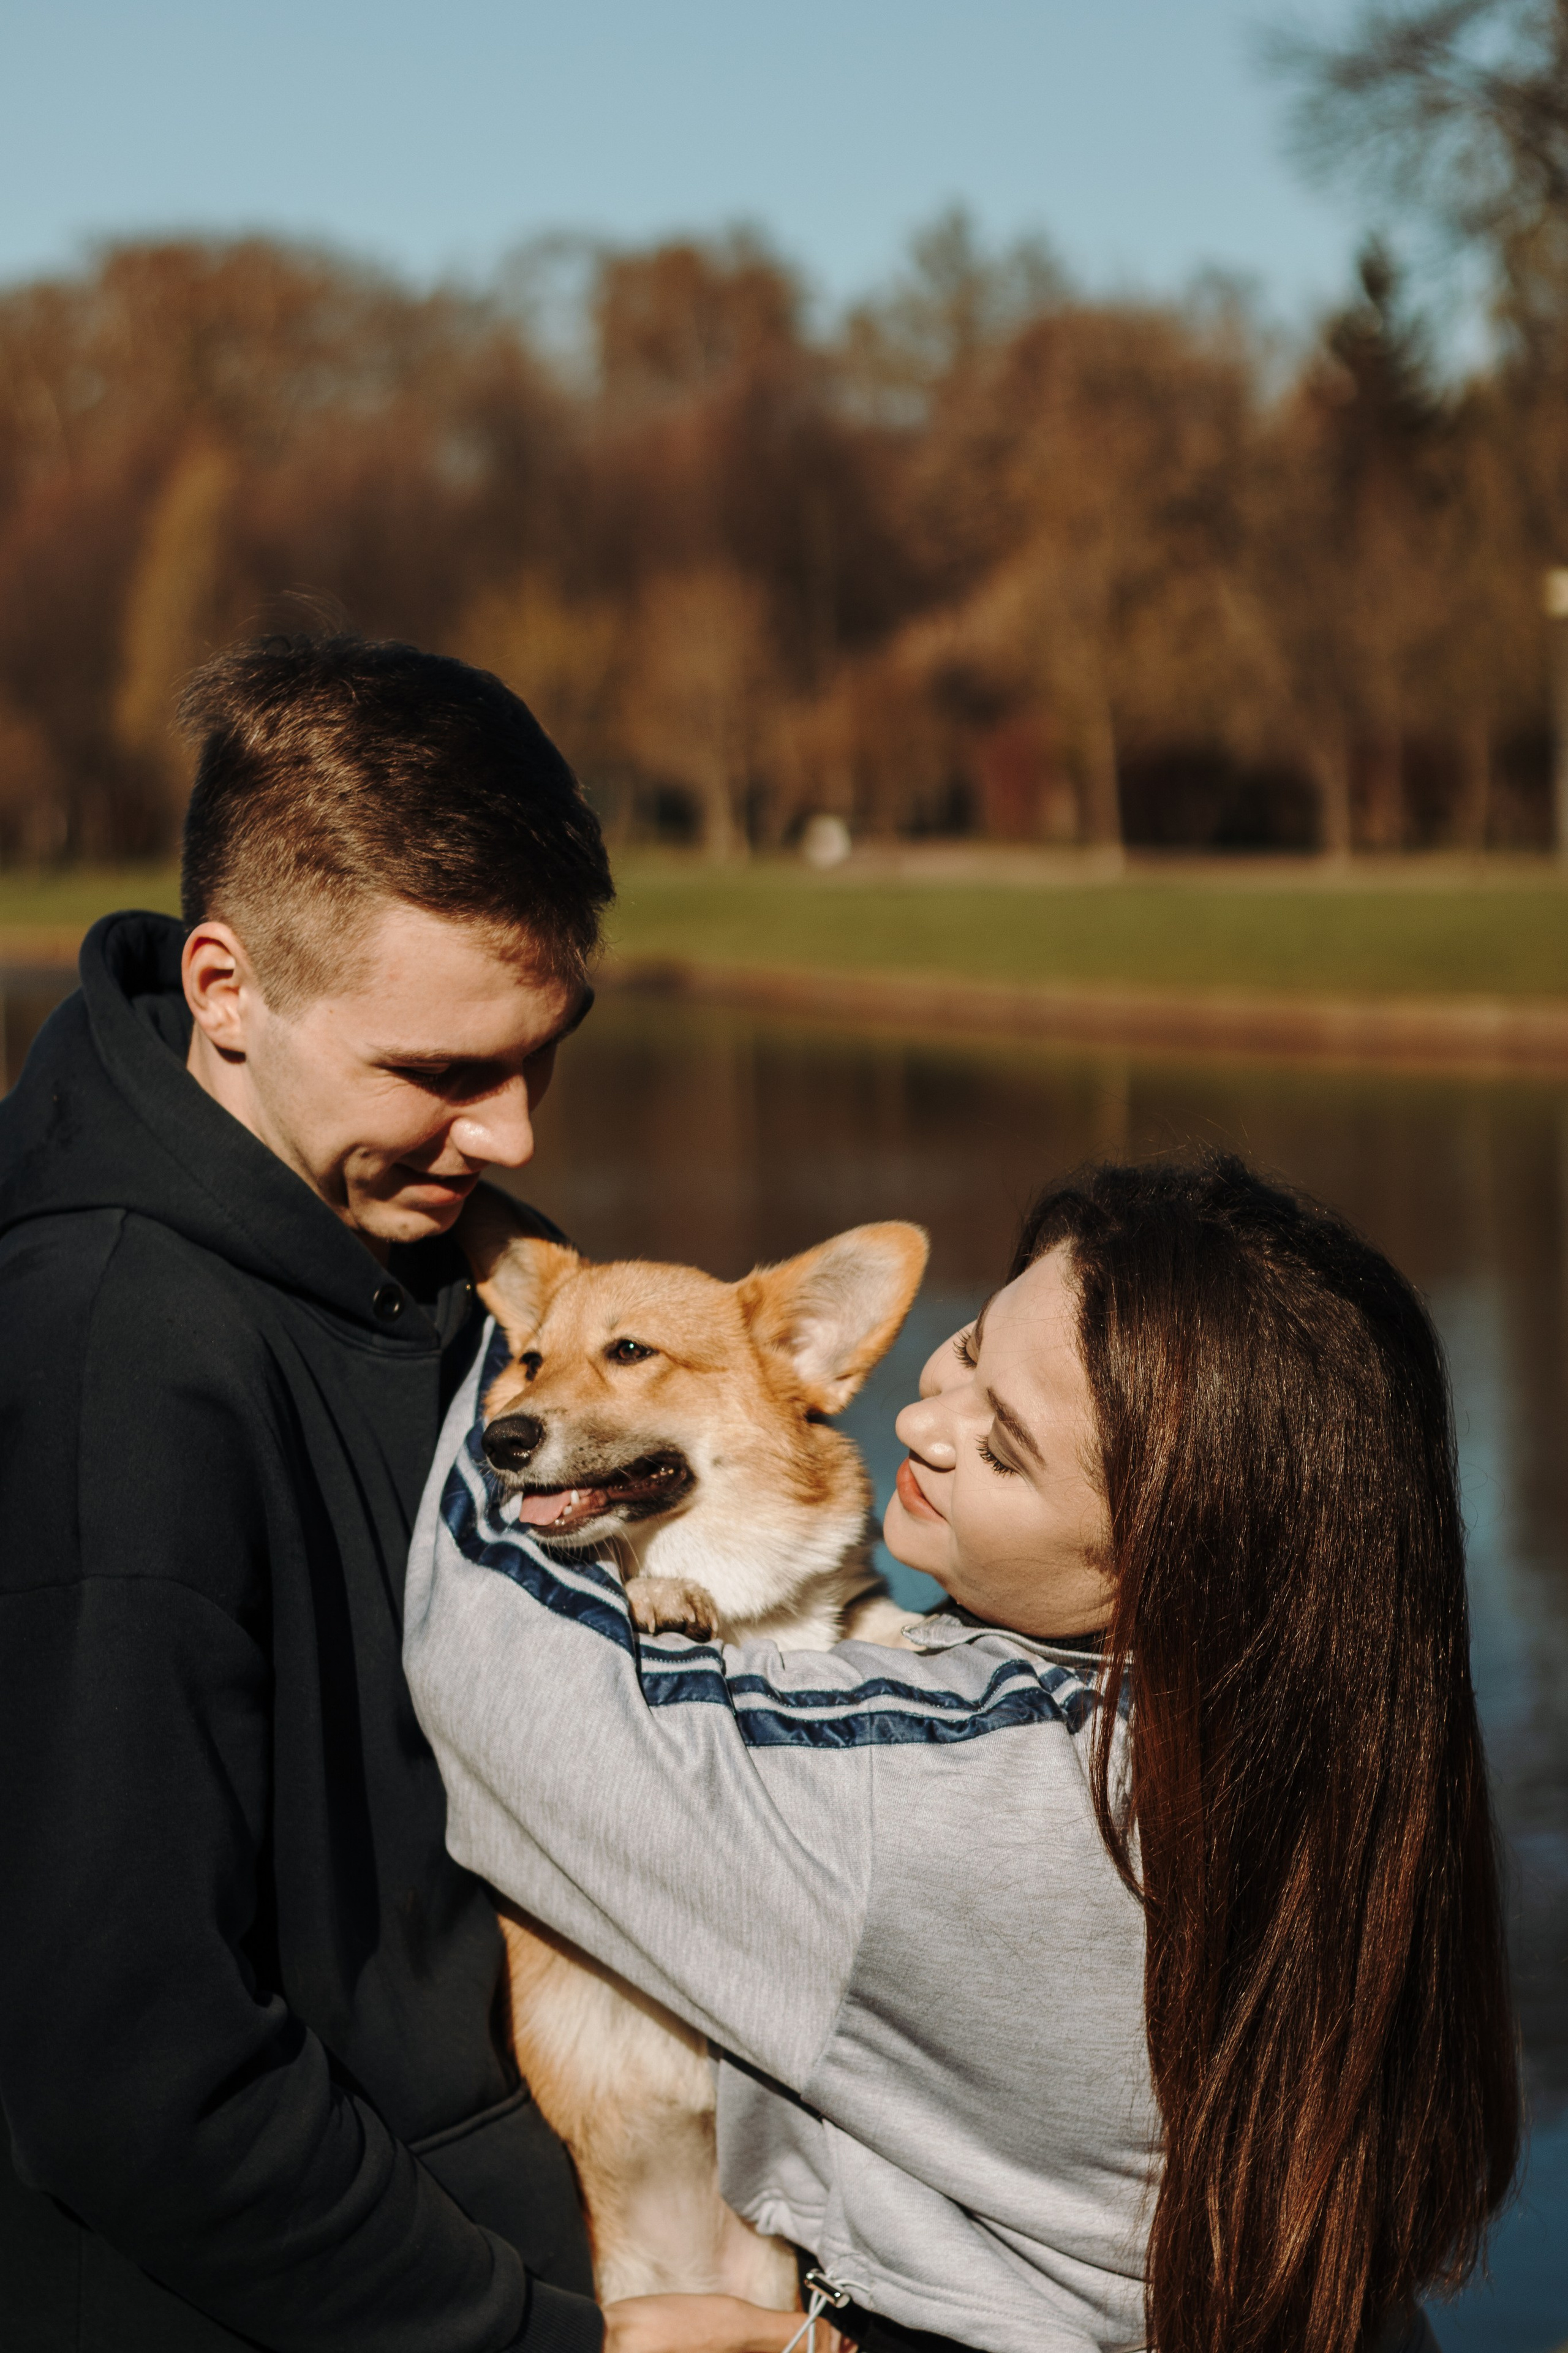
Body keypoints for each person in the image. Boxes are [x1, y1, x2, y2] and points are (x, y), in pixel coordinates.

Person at [0, 634, 798, 2353]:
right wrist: (539, 2342)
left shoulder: (408, 1251)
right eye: (442, 1075)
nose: (511, 1135)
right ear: (226, 987)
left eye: (541, 1054)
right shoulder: (109, 1362)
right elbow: (129, 2071)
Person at [406, 1153, 1522, 2353]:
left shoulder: (918, 1800)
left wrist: (515, 1346)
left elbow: (502, 1677)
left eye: (1002, 1451)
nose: (916, 1421)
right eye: (971, 1351)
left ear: (1158, 1558)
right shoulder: (1303, 1753)